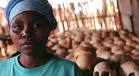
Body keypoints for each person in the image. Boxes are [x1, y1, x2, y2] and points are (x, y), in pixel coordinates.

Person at [0, 0, 84, 76]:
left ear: (49, 28)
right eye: (18, 27)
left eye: (36, 25)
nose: (26, 33)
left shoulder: (70, 71)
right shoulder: (1, 70)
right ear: (10, 31)